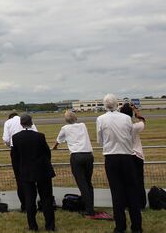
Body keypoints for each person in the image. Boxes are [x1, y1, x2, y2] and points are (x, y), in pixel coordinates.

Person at [97, 94, 142, 233]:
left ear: (105, 105)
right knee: (132, 191)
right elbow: (129, 135)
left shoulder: (100, 119)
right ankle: (136, 226)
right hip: (127, 156)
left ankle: (120, 226)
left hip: (111, 157)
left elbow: (100, 140)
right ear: (117, 104)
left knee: (116, 193)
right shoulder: (127, 118)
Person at [12, 114, 55, 232]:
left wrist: (19, 170)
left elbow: (15, 157)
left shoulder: (16, 137)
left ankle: (32, 226)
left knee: (30, 200)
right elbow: (47, 153)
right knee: (46, 199)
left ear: (21, 124)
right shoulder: (40, 136)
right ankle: (50, 226)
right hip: (42, 171)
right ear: (32, 123)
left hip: (26, 172)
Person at [54, 110, 98, 217]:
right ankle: (90, 206)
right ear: (76, 118)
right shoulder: (83, 125)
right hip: (88, 155)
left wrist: (55, 146)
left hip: (77, 156)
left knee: (82, 184)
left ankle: (89, 210)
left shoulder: (65, 128)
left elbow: (59, 140)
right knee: (88, 183)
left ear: (66, 120)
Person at [3, 111, 38, 211]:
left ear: (10, 117)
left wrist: (10, 145)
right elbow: (36, 133)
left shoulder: (8, 122)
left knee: (20, 179)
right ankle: (32, 204)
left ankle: (24, 205)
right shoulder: (27, 120)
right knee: (32, 177)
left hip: (16, 150)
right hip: (31, 150)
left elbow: (6, 139)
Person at [120, 102, 147, 209]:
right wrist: (136, 110)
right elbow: (142, 120)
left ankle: (127, 204)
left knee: (125, 182)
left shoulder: (119, 128)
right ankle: (141, 204)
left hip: (125, 155)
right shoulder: (135, 127)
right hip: (137, 156)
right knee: (139, 181)